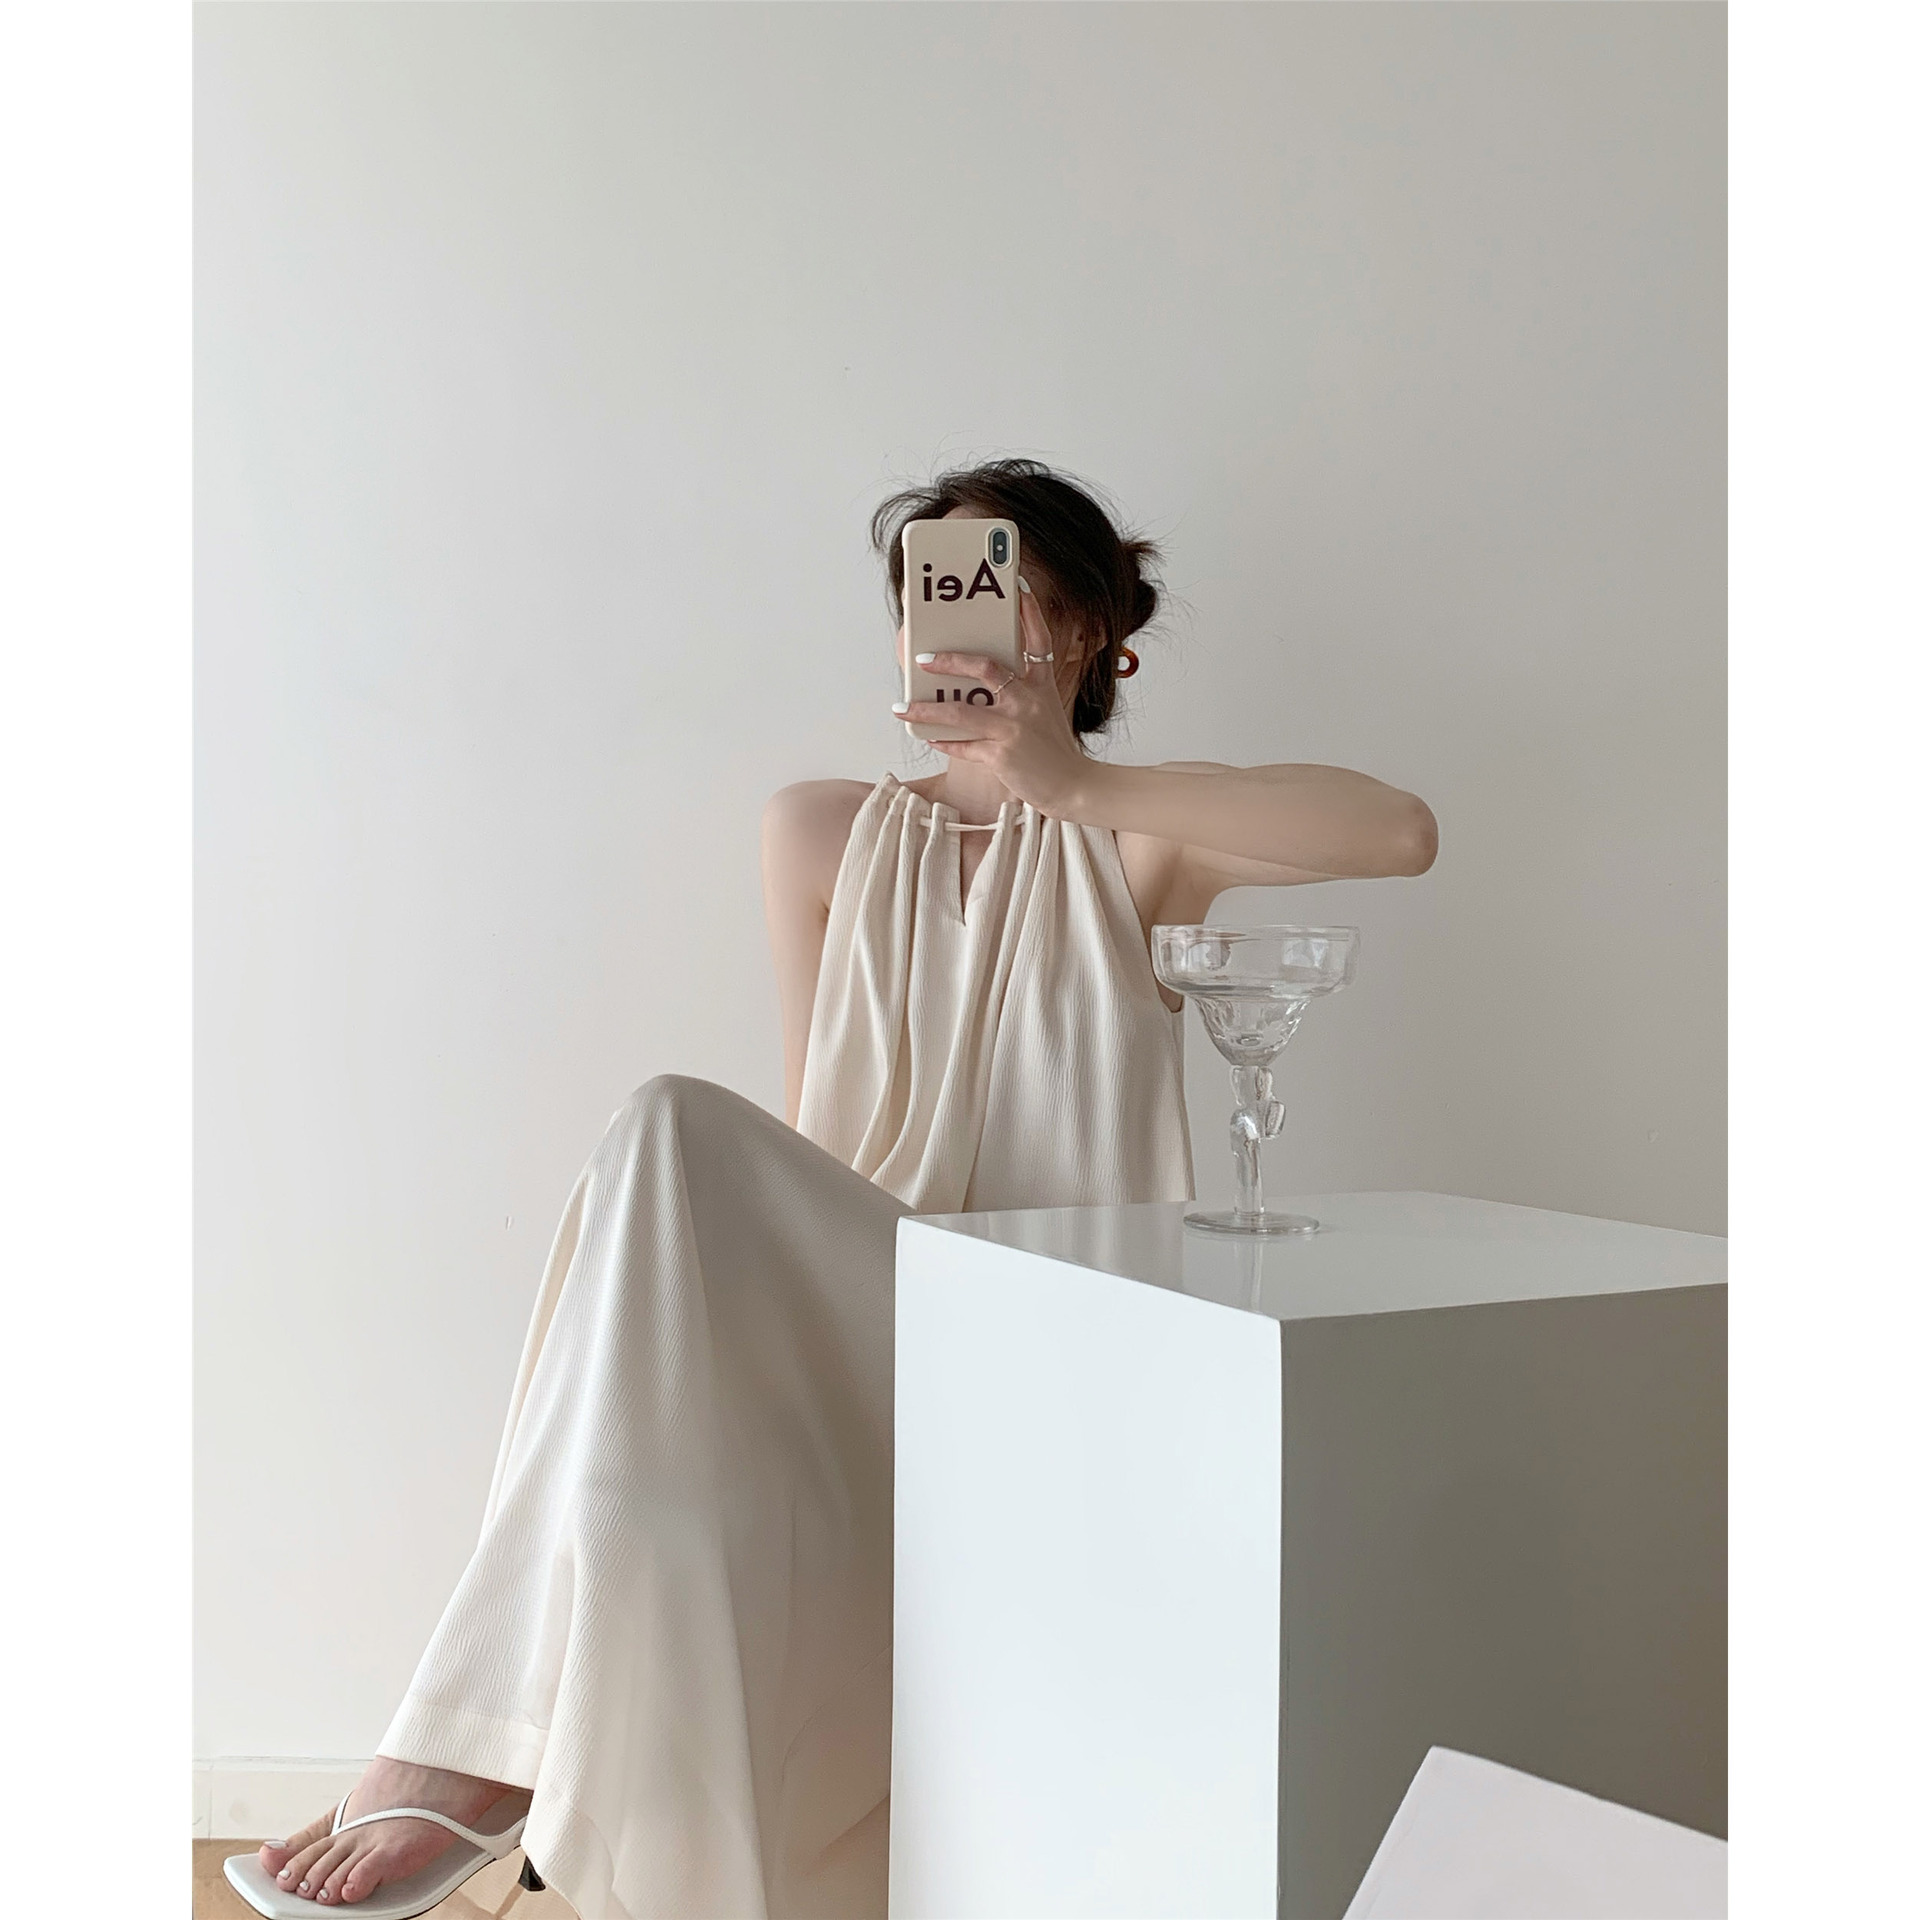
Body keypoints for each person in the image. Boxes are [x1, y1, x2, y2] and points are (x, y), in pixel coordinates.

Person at [230, 459, 1438, 1920]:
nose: (964, 630)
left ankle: (481, 1753)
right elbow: (818, 1135)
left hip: (1062, 1331)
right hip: (872, 1320)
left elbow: (1400, 833)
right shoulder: (817, 829)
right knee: (663, 1180)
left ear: (1088, 636)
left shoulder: (1138, 840)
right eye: (937, 597)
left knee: (663, 1149)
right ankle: (496, 1760)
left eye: (1009, 596)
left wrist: (1076, 785)